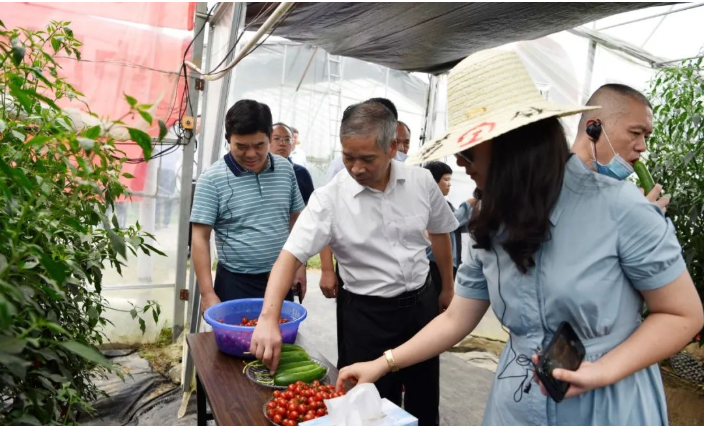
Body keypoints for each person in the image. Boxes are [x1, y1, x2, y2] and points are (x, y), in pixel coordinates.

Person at [335, 49, 703, 426]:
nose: (461, 164)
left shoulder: (621, 208)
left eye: (468, 152)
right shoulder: (489, 221)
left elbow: (681, 313)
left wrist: (603, 370)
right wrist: (383, 363)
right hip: (518, 404)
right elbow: (456, 318)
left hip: (604, 404)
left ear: (515, 145)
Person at [250, 101, 458, 426]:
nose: (356, 168)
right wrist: (267, 318)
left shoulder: (420, 182)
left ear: (391, 148)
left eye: (367, 159)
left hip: (422, 308)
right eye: (349, 157)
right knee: (367, 408)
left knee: (423, 399)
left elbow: (440, 233)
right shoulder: (329, 199)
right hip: (366, 317)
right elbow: (290, 256)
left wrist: (448, 286)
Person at [190, 100, 306, 312]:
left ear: (269, 138)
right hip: (236, 282)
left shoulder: (284, 169)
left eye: (259, 145)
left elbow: (295, 219)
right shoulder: (212, 179)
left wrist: (299, 266)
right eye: (241, 146)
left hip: (281, 276)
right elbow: (200, 237)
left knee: (280, 340)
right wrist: (207, 293)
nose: (251, 154)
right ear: (229, 140)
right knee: (235, 343)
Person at [572, 83, 670, 212]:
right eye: (635, 133)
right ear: (593, 128)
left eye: (646, 137)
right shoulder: (550, 180)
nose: (643, 147)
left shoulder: (611, 193)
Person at [324, 98, 407, 183]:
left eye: (368, 159)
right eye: (349, 158)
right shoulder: (331, 188)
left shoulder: (413, 176)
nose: (356, 170)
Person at [422, 161, 473, 292]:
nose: (449, 184)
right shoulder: (426, 202)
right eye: (446, 179)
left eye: (450, 180)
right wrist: (467, 206)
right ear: (433, 181)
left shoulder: (446, 204)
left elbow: (458, 225)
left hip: (450, 261)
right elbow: (449, 222)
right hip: (435, 262)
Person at [271, 122, 315, 204]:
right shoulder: (259, 171)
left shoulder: (301, 172)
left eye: (287, 139)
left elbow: (310, 204)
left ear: (292, 144)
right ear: (267, 142)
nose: (282, 143)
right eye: (276, 139)